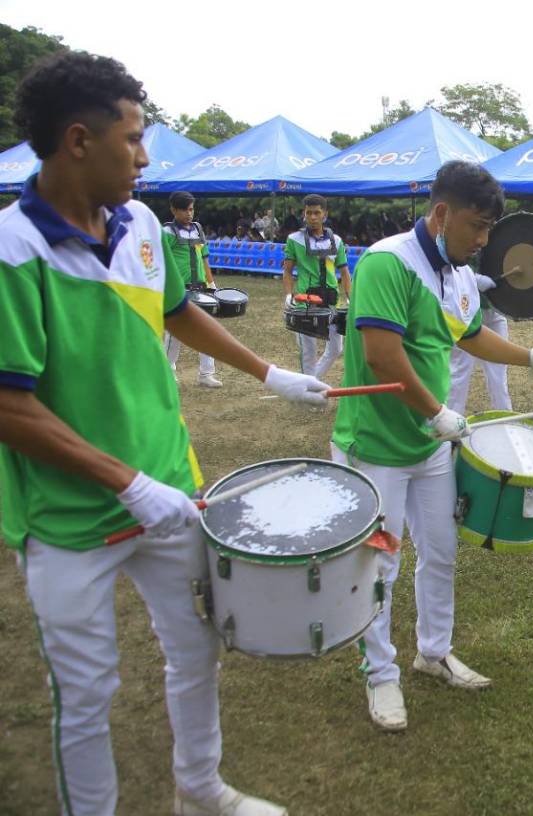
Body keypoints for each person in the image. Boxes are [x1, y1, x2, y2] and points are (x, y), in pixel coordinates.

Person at [0, 51, 330, 816]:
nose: (145, 158)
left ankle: (199, 790)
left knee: (197, 650)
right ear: (78, 140)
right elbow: (9, 406)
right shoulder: (11, 250)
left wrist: (270, 375)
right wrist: (127, 484)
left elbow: (179, 311)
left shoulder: (142, 224)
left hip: (171, 492)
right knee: (85, 693)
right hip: (67, 520)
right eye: (133, 139)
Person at [328, 161, 533, 730]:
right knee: (380, 564)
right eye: (477, 227)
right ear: (442, 214)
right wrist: (437, 412)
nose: (484, 241)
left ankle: (433, 652)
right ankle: (380, 674)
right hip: (375, 447)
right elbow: (383, 355)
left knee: (440, 552)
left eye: (490, 229)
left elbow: (471, 334)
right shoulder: (388, 263)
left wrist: (532, 357)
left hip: (430, 447)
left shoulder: (459, 272)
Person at [282, 194, 351, 379]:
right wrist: (288, 295)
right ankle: (309, 389)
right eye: (309, 213)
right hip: (305, 301)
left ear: (325, 214)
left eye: (317, 213)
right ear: (304, 214)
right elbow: (287, 271)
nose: (313, 217)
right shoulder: (294, 239)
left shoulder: (336, 240)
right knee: (308, 352)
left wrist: (350, 297)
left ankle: (310, 383)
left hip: (331, 301)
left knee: (336, 348)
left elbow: (345, 272)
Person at [162, 191, 221, 388]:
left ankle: (206, 373)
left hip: (201, 288)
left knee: (207, 330)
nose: (189, 214)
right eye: (184, 210)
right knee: (174, 333)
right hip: (178, 289)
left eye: (191, 209)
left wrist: (211, 284)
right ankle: (168, 372)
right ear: (173, 210)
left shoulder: (198, 229)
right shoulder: (167, 232)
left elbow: (204, 258)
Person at [446, 272, 512, 415]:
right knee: (460, 373)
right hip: (465, 312)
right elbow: (448, 269)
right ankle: (451, 422)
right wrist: (474, 278)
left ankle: (505, 418)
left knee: (498, 374)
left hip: (494, 312)